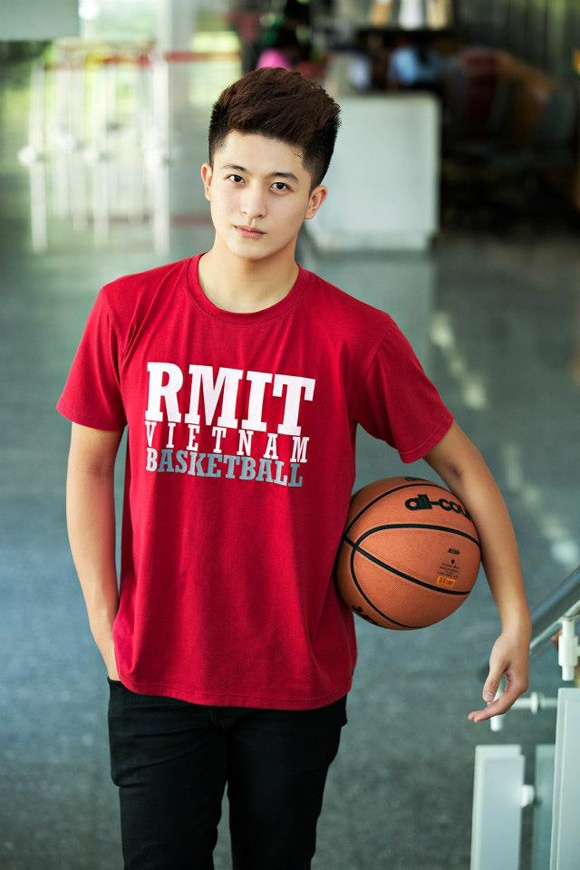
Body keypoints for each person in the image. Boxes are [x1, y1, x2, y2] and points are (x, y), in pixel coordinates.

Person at [57, 67, 532, 869]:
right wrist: (108, 629)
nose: (253, 205)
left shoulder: (355, 337)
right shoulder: (127, 310)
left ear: (313, 200)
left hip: (294, 682)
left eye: (281, 186)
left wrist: (514, 615)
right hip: (155, 675)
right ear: (206, 179)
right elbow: (89, 467)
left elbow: (463, 467)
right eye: (237, 178)